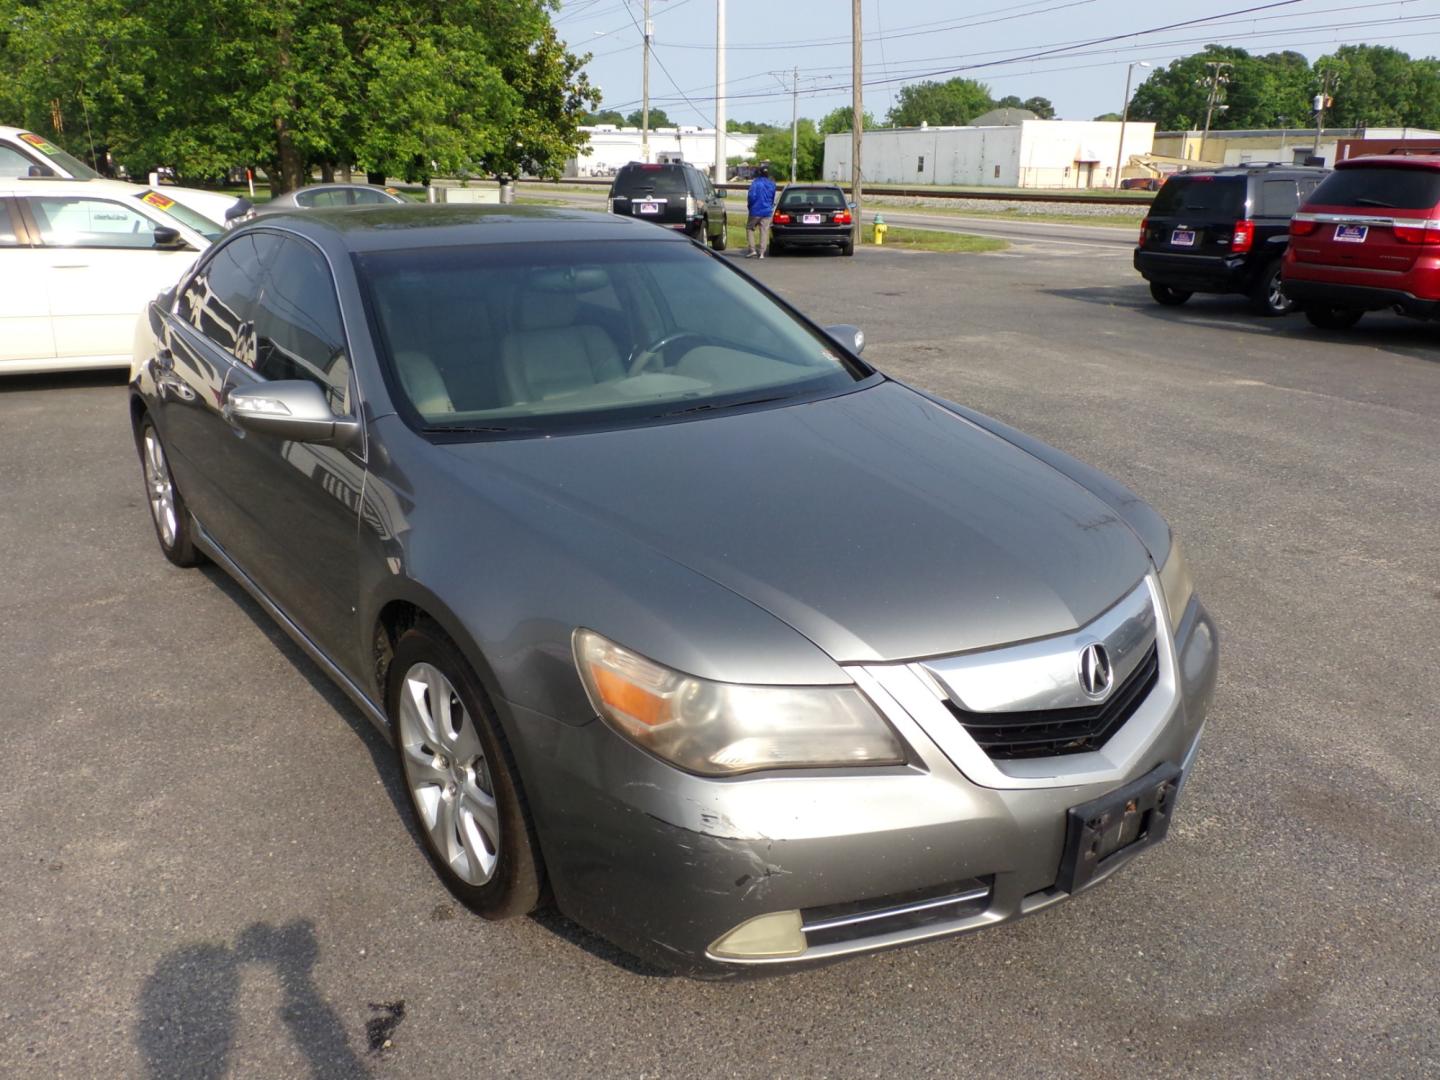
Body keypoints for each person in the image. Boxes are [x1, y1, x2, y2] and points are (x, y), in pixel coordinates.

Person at [745, 164, 776, 259]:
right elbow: (772, 197)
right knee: (764, 231)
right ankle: (762, 252)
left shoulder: (755, 183)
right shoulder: (772, 184)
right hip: (767, 211)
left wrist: (750, 206)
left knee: (750, 228)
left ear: (759, 173)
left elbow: (751, 196)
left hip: (755, 210)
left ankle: (752, 249)